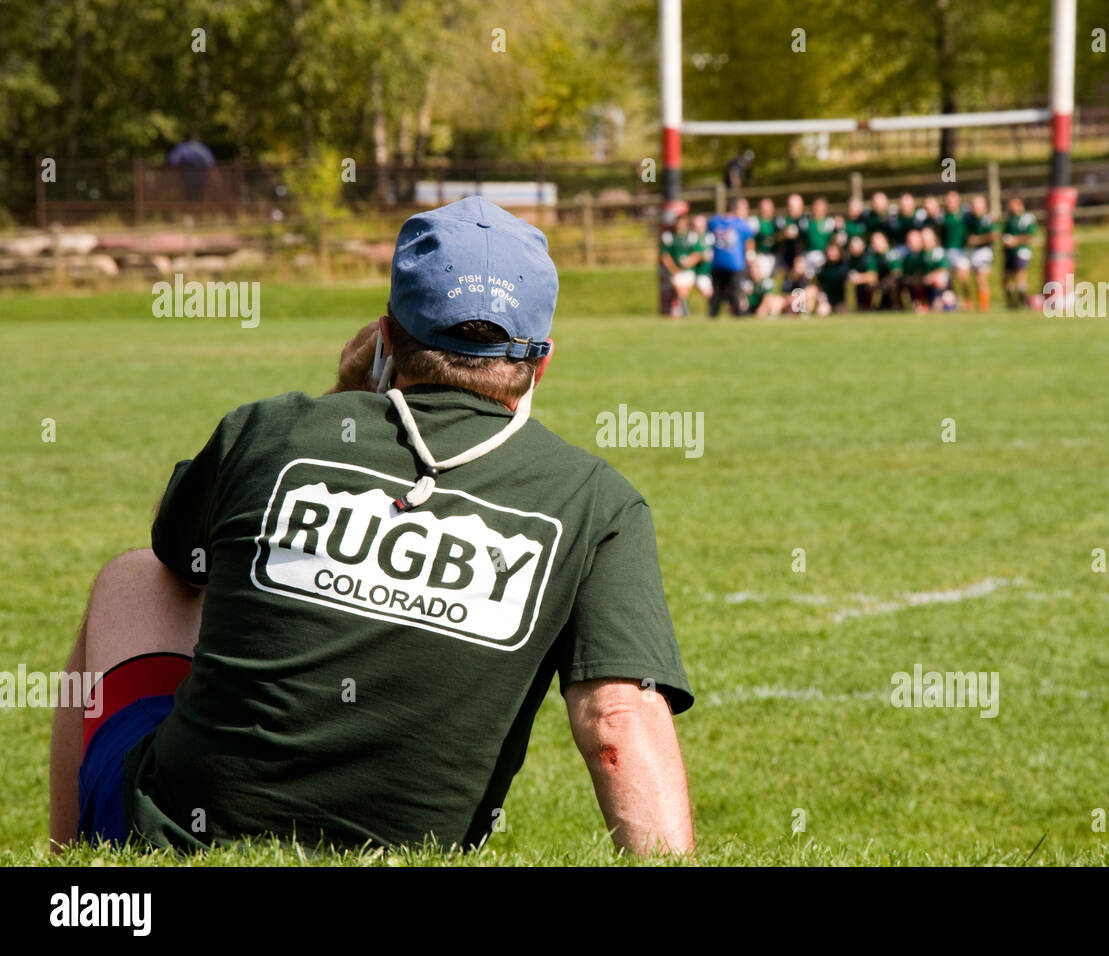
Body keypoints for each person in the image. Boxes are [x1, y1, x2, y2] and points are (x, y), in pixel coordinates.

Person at [50, 197, 696, 857]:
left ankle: (79, 864)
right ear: (543, 360)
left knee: (131, 578)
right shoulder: (599, 501)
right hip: (406, 850)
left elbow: (176, 544)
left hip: (185, 837)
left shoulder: (268, 429)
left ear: (384, 340)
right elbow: (619, 720)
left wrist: (342, 398)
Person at [706, 196, 755, 318]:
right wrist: (750, 257)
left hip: (718, 263)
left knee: (717, 292)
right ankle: (738, 313)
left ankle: (713, 313)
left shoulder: (714, 221)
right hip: (735, 263)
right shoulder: (741, 224)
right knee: (735, 291)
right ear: (735, 209)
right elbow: (749, 240)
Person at [659, 213, 700, 318]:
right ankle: (685, 313)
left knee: (683, 292)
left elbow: (697, 254)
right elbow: (665, 256)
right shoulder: (670, 237)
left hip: (689, 270)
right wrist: (673, 269)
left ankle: (679, 310)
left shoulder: (691, 236)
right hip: (676, 271)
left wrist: (689, 262)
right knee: (680, 290)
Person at [1001, 194, 1037, 309]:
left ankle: (1023, 301)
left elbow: (1030, 235)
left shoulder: (1027, 218)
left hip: (1021, 251)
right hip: (1009, 251)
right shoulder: (1009, 219)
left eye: (1013, 205)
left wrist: (1015, 241)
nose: (1011, 207)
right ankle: (1011, 302)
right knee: (1006, 277)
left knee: (1019, 275)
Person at [940, 191, 973, 311]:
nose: (951, 203)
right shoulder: (943, 216)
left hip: (960, 250)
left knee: (963, 278)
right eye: (948, 201)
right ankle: (953, 303)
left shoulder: (965, 216)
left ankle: (968, 300)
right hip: (946, 250)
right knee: (949, 280)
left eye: (953, 200)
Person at [964, 194, 997, 312]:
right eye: (973, 205)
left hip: (984, 251)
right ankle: (975, 303)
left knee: (980, 278)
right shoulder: (969, 218)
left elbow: (994, 235)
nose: (975, 207)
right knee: (973, 279)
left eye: (977, 205)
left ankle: (984, 306)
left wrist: (978, 239)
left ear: (984, 207)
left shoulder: (987, 219)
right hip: (973, 252)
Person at [167, 132, 216, 205]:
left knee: (187, 191)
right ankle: (197, 209)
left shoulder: (183, 147)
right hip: (199, 172)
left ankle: (190, 210)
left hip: (186, 172)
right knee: (198, 191)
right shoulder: (201, 148)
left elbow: (173, 160)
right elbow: (210, 162)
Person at [774, 193, 806, 277]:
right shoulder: (782, 220)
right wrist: (784, 234)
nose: (793, 209)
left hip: (803, 255)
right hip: (785, 254)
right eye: (791, 206)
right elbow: (775, 238)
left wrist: (799, 256)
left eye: (796, 206)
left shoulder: (806, 220)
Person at [814, 241, 850, 315]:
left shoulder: (844, 266)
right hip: (826, 299)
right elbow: (818, 285)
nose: (831, 254)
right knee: (822, 312)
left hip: (840, 301)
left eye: (834, 251)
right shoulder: (822, 269)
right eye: (830, 251)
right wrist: (821, 296)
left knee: (845, 315)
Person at [802, 196, 836, 272]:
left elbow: (834, 240)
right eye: (816, 206)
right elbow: (800, 242)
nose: (818, 209)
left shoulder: (830, 222)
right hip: (808, 254)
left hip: (824, 255)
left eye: (820, 206)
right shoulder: (806, 223)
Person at [751, 197, 779, 280]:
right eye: (764, 207)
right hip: (759, 255)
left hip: (773, 255)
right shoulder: (755, 222)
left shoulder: (776, 222)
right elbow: (750, 240)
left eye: (768, 207)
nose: (766, 210)